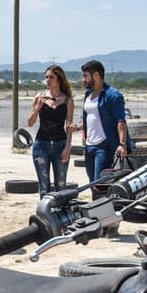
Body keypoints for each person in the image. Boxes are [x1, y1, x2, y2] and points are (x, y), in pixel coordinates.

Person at [72, 60, 130, 184]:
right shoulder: (88, 94)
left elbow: (120, 121)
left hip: (104, 147)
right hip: (89, 146)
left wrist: (122, 144)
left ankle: (105, 203)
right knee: (92, 183)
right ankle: (97, 203)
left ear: (96, 75)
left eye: (85, 76)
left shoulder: (113, 95)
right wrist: (77, 127)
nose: (83, 80)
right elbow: (90, 119)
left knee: (100, 183)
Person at [26, 65, 76, 194]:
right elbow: (30, 123)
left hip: (61, 144)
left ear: (59, 79)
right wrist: (37, 108)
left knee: (61, 185)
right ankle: (45, 214)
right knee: (44, 186)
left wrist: (68, 147)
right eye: (46, 77)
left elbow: (69, 126)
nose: (48, 80)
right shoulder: (39, 97)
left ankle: (60, 213)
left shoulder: (67, 100)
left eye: (51, 77)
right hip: (41, 145)